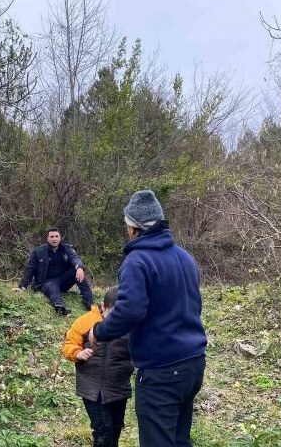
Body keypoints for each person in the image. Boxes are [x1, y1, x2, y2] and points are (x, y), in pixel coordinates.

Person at [89, 190, 208, 447]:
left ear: (133, 227)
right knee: (178, 439)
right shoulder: (185, 257)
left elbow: (129, 310)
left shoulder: (137, 261)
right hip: (193, 364)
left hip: (162, 370)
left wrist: (98, 332)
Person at [62, 286, 134, 447]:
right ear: (104, 306)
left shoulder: (130, 324)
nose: (115, 320)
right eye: (113, 314)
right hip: (92, 389)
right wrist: (77, 353)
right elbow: (68, 345)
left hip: (118, 388)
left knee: (115, 429)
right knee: (103, 430)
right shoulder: (85, 321)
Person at [12, 228, 94, 315]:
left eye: (56, 236)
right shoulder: (38, 252)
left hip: (63, 281)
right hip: (45, 282)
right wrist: (22, 287)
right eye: (52, 237)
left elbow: (75, 258)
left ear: (60, 237)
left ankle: (89, 303)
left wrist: (79, 267)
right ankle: (60, 307)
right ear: (47, 238)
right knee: (52, 287)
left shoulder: (66, 248)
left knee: (78, 270)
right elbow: (30, 269)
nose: (54, 239)